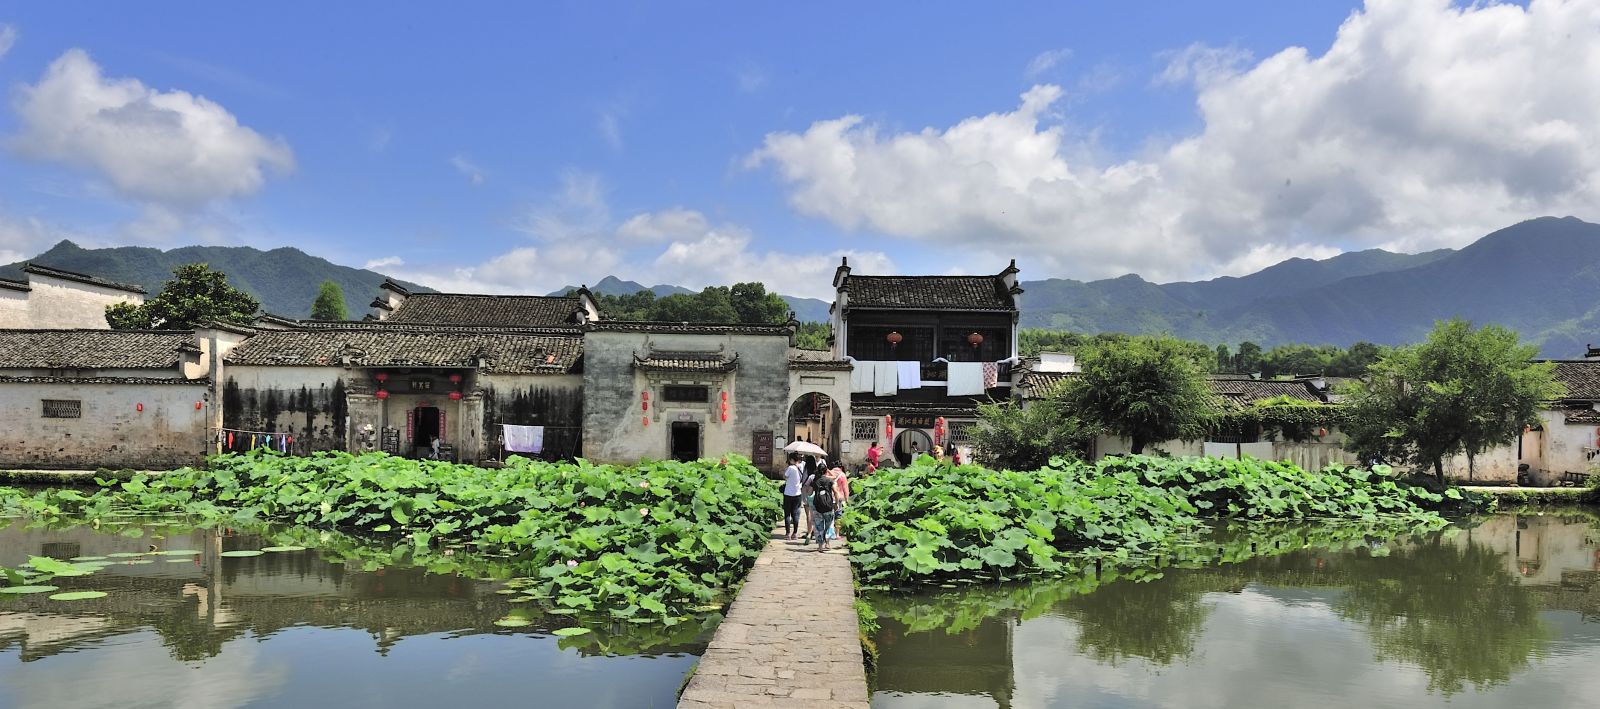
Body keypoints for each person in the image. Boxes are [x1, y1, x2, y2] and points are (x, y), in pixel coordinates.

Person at [808, 463, 839, 551]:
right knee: (829, 525)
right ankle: (828, 543)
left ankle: (820, 546)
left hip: (817, 506)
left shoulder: (815, 481)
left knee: (818, 526)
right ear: (826, 471)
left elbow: (809, 493)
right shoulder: (829, 481)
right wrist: (836, 503)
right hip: (828, 506)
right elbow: (836, 492)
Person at [780, 453, 804, 540]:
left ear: (792, 460)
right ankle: (795, 533)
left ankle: (788, 533)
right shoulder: (801, 467)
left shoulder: (790, 468)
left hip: (788, 493)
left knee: (787, 514)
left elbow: (785, 476)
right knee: (796, 514)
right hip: (797, 493)